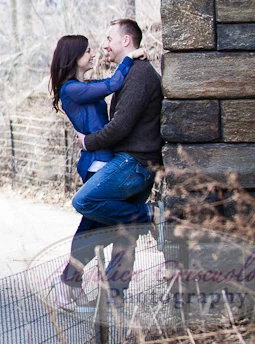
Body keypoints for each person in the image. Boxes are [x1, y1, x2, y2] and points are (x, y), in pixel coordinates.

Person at [47, 34, 145, 309]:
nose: (93, 55)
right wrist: (129, 58)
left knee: (93, 227)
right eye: (88, 51)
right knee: (93, 226)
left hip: (104, 160)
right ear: (74, 56)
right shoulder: (70, 89)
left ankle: (72, 283)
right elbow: (114, 84)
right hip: (97, 164)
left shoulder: (81, 86)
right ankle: (67, 281)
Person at [71, 18, 164, 300]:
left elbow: (120, 126)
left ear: (127, 41)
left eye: (110, 38)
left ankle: (152, 215)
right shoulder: (132, 73)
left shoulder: (140, 75)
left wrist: (88, 142)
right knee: (127, 230)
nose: (105, 44)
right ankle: (114, 294)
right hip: (139, 162)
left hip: (134, 163)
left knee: (84, 201)